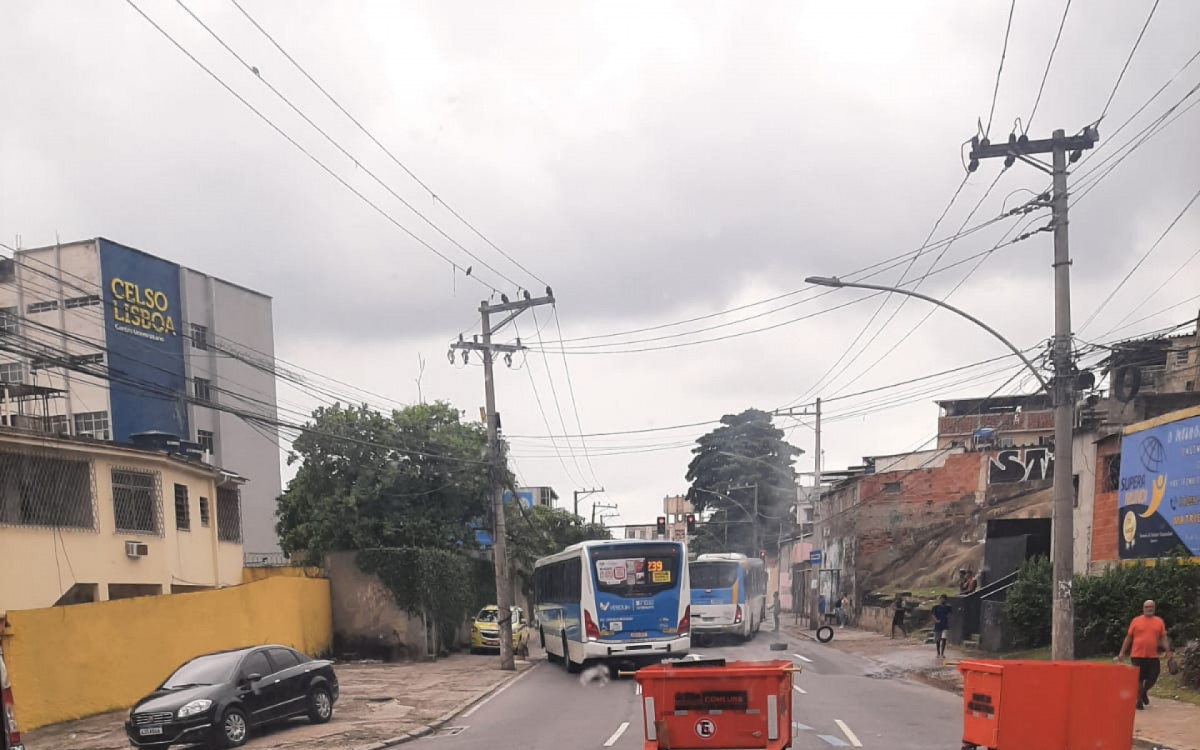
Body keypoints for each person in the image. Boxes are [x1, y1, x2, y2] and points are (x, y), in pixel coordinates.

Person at [1115, 600, 1173, 710]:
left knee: (1153, 677)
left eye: (1151, 607)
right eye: (1147, 607)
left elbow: (1163, 638)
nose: (1149, 609)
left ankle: (1143, 693)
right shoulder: (1136, 621)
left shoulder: (1159, 621)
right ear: (1143, 608)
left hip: (1153, 655)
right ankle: (1139, 700)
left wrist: (1168, 651)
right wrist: (1122, 652)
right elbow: (1129, 637)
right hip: (1137, 655)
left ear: (1154, 608)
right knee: (1139, 679)